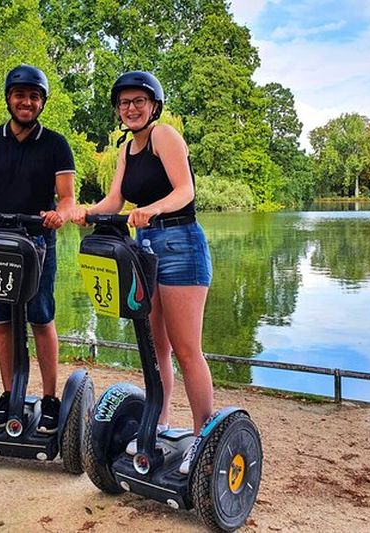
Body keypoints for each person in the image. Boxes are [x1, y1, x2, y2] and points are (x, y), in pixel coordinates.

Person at [72, 71, 213, 474]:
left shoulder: (164, 136)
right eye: (124, 103)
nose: (131, 109)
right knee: (156, 348)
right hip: (144, 248)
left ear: (153, 105)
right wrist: (87, 212)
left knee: (187, 349)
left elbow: (185, 190)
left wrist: (153, 208)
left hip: (181, 244)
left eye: (138, 102)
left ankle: (204, 435)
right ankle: (161, 421)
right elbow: (115, 199)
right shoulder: (125, 150)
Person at [0, 64, 76, 435]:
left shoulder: (56, 144)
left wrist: (59, 215)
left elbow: (67, 198)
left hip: (38, 241)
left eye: (34, 96)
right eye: (20, 95)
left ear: (42, 102)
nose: (27, 102)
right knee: (3, 321)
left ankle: (50, 400)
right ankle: (10, 396)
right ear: (9, 98)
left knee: (41, 317)